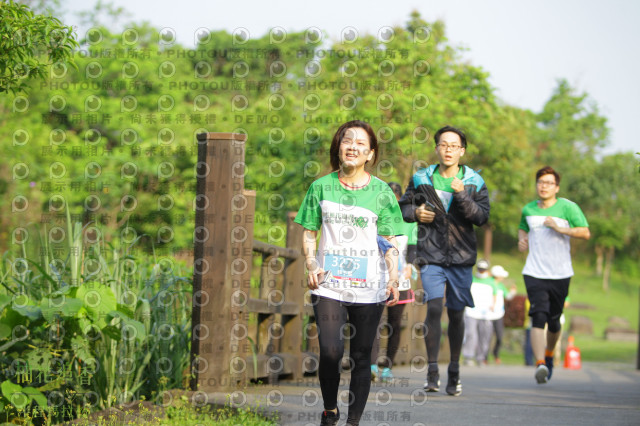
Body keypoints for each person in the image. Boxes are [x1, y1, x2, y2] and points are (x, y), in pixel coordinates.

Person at [295, 120, 403, 426]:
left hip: (369, 287)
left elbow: (389, 241)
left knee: (361, 357)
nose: (352, 146)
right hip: (328, 284)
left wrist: (393, 276)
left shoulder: (382, 192)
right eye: (347, 140)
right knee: (330, 351)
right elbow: (308, 232)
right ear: (338, 146)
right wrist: (310, 263)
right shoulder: (321, 187)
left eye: (360, 144)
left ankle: (353, 422)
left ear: (370, 154)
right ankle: (330, 409)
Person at [399, 125, 490, 396]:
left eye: (454, 146)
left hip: (462, 258)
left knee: (457, 314)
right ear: (437, 148)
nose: (448, 149)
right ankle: (432, 371)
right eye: (444, 144)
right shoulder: (421, 178)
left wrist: (461, 194)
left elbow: (482, 217)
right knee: (435, 308)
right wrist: (416, 212)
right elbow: (403, 208)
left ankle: (454, 369)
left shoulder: (474, 181)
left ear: (462, 151)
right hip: (431, 256)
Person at [518, 166, 590, 384]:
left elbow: (585, 232)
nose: (544, 186)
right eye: (540, 182)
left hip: (560, 273)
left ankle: (549, 355)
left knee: (554, 320)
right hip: (534, 271)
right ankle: (540, 363)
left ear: (556, 187)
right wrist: (522, 239)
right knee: (538, 316)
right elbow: (523, 228)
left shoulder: (568, 208)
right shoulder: (528, 209)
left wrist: (561, 229)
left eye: (549, 183)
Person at [371, 183, 417, 383]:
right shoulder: (373, 219)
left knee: (395, 324)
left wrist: (411, 267)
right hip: (375, 278)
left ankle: (387, 367)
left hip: (401, 281)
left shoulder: (410, 224)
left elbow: (414, 251)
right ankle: (371, 365)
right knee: (374, 322)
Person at [462, 259, 494, 366]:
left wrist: (493, 305)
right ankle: (468, 356)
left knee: (484, 336)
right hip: (472, 311)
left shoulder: (491, 281)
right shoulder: (471, 278)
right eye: (480, 269)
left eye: (483, 269)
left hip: (485, 313)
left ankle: (481, 357)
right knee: (471, 334)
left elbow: (494, 294)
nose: (481, 271)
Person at [486, 265, 515, 364]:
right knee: (487, 336)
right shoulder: (488, 283)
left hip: (499, 314)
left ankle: (495, 354)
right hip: (487, 314)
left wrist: (512, 292)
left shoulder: (501, 286)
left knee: (499, 336)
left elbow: (508, 296)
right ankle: (484, 357)